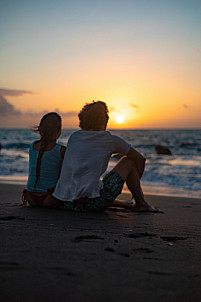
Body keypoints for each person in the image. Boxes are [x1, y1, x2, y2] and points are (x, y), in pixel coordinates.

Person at [52, 101, 156, 212]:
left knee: (94, 183)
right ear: (105, 120)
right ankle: (141, 203)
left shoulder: (74, 137)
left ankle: (129, 204)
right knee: (129, 161)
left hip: (67, 203)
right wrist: (135, 182)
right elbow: (140, 159)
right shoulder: (109, 140)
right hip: (92, 205)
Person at [22, 112, 66, 207]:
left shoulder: (33, 146)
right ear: (59, 131)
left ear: (40, 130)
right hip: (49, 198)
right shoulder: (61, 150)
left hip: (30, 196)